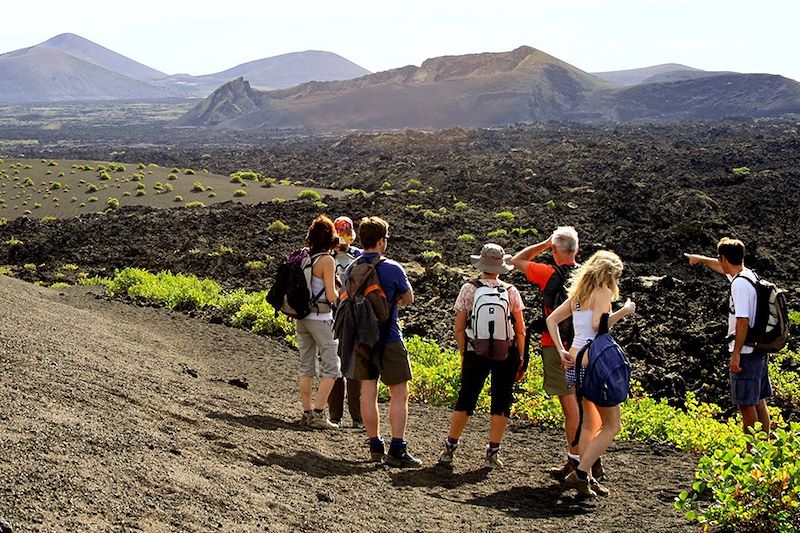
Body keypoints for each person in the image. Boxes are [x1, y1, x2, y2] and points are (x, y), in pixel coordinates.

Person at [546, 250, 636, 497]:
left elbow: (552, 320)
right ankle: (582, 473)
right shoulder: (603, 291)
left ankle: (586, 476)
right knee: (612, 425)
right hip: (593, 363)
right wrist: (624, 311)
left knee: (590, 423)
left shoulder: (578, 295)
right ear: (610, 273)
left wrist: (561, 349)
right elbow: (599, 326)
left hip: (575, 360)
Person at [437, 243, 526, 469]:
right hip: (506, 351)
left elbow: (459, 327)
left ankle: (449, 449)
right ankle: (492, 454)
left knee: (466, 397)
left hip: (475, 350)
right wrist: (521, 357)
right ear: (500, 265)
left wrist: (464, 352)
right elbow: (520, 329)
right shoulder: (510, 291)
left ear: (481, 264)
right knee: (501, 399)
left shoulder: (469, 288)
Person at [511, 227, 581, 478]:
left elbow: (516, 260)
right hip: (585, 345)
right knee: (585, 402)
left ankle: (576, 461)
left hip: (557, 347)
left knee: (570, 403)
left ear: (554, 250)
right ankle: (591, 459)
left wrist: (544, 243)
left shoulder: (549, 273)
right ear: (577, 250)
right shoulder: (587, 275)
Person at [350, 216, 420, 467]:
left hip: (362, 339)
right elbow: (409, 297)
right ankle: (397, 448)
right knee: (399, 393)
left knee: (367, 392)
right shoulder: (393, 268)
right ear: (381, 241)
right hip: (389, 337)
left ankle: (375, 445)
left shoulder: (352, 267)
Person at [684, 238, 771, 437]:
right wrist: (702, 260)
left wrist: (737, 354)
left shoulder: (739, 286)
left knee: (746, 407)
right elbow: (724, 269)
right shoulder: (748, 275)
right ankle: (764, 450)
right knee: (758, 401)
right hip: (758, 349)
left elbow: (742, 320)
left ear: (723, 258)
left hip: (746, 352)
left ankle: (752, 456)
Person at [296, 215, 341, 430]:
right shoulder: (327, 260)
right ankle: (319, 414)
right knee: (332, 368)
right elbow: (332, 296)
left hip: (303, 318)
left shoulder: (305, 257)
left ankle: (306, 412)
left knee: (307, 367)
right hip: (321, 319)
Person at [327, 216, 364, 428]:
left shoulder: (334, 255)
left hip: (342, 314)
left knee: (343, 364)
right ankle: (347, 416)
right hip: (344, 314)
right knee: (345, 365)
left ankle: (344, 416)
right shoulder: (356, 256)